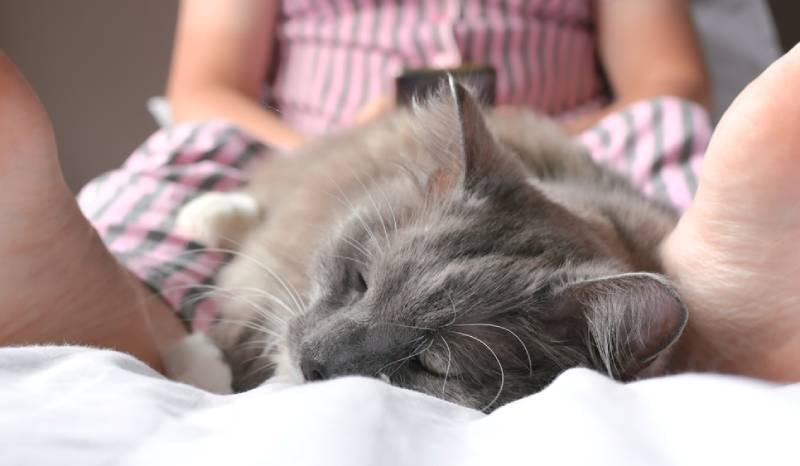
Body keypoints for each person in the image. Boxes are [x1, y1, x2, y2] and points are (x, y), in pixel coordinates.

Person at [11, 0, 788, 380]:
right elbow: (205, 86)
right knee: (193, 151)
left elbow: (667, 78)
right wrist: (327, 146)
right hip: (306, 135)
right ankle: (110, 307)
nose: (319, 355)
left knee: (660, 129)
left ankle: (713, 305)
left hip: (558, 139)